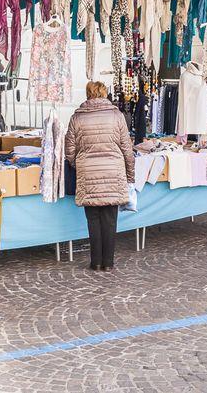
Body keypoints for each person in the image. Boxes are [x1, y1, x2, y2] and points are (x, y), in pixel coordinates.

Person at [64, 81, 135, 271]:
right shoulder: (116, 116)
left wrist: (79, 164)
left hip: (88, 173)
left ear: (88, 94)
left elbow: (69, 151)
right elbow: (127, 149)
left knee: (93, 220)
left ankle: (95, 262)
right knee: (110, 220)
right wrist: (130, 176)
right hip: (113, 172)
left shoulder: (77, 118)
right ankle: (109, 263)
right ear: (104, 94)